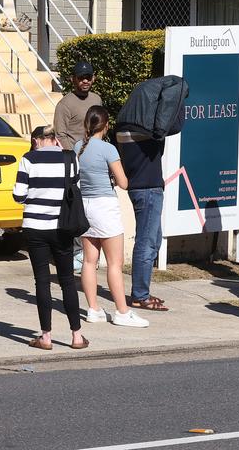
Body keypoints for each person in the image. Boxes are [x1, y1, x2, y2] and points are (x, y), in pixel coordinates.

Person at [13, 125, 88, 350]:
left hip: (35, 228)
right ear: (54, 139)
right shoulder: (70, 158)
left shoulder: (28, 159)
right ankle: (76, 336)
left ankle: (45, 337)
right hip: (62, 227)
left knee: (42, 281)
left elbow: (18, 196)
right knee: (67, 281)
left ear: (36, 141)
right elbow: (73, 186)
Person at [74, 106, 149, 328]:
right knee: (115, 263)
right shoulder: (108, 149)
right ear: (106, 125)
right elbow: (124, 182)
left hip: (85, 205)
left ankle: (93, 309)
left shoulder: (79, 147)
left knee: (89, 260)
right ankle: (122, 312)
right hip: (104, 206)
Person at [116, 108, 169, 313]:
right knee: (146, 243)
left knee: (153, 240)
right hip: (148, 190)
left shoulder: (123, 129)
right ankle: (140, 295)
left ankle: (142, 290)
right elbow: (161, 142)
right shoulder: (145, 133)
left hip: (144, 189)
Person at [53, 62, 103, 151]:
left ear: (93, 78)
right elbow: (60, 135)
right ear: (73, 79)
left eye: (88, 77)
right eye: (81, 78)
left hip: (95, 152)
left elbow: (100, 127)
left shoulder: (97, 99)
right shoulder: (64, 104)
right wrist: (73, 156)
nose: (85, 81)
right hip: (75, 155)